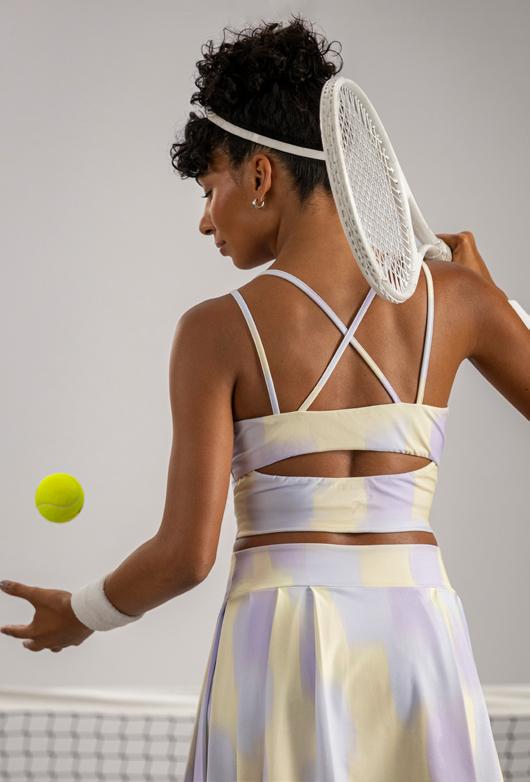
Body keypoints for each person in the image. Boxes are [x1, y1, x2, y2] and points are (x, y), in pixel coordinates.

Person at [166, 15, 528, 782]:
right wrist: (496, 301)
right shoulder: (460, 300)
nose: (205, 221)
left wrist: (84, 611)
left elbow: (186, 556)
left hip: (280, 643)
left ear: (260, 175)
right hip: (418, 640)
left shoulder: (214, 330)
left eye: (209, 189)